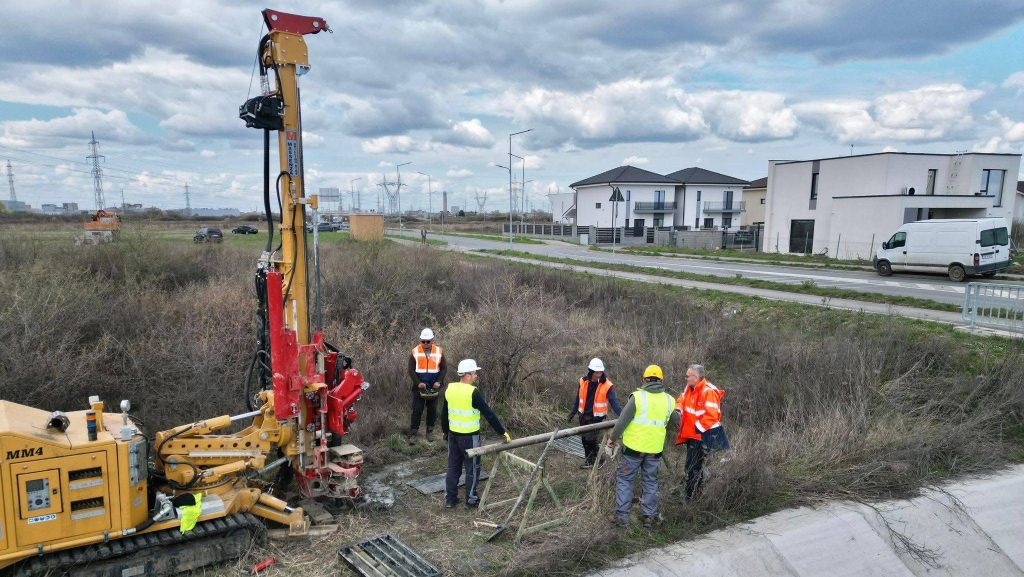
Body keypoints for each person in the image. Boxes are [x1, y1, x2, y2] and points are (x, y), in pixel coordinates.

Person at [607, 364, 678, 528]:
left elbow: (622, 422)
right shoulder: (669, 400)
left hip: (633, 449)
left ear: (644, 379)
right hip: (655, 450)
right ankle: (649, 516)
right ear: (661, 380)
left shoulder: (638, 397)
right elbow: (677, 421)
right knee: (651, 481)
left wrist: (612, 439)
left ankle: (622, 518)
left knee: (625, 480)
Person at [440, 359, 511, 509]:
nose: (476, 376)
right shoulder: (472, 392)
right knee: (472, 468)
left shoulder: (450, 389)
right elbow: (489, 414)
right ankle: (471, 499)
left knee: (453, 467)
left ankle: (450, 499)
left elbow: (444, 414)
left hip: (453, 435)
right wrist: (502, 432)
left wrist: (445, 432)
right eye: (474, 373)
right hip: (469, 437)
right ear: (466, 375)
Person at [672, 364, 726, 501]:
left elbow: (711, 417)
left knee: (693, 469)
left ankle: (692, 498)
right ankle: (695, 495)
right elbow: (681, 400)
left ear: (696, 377)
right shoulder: (690, 388)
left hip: (702, 437)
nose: (685, 378)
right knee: (693, 467)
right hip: (692, 436)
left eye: (687, 376)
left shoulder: (708, 392)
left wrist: (696, 430)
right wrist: (678, 409)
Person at [567, 358, 622, 468]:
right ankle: (595, 460)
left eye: (600, 372)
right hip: (583, 415)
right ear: (591, 371)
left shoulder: (607, 385)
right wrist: (573, 412)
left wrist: (623, 415)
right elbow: (578, 398)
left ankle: (594, 461)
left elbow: (614, 403)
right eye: (597, 372)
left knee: (590, 440)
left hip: (596, 418)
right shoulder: (583, 381)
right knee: (584, 440)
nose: (599, 374)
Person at [407, 328, 447, 442]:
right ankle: (413, 434)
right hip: (419, 387)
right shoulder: (415, 351)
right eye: (423, 341)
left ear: (432, 340)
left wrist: (439, 381)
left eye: (428, 341)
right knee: (417, 410)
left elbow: (444, 368)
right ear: (421, 340)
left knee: (432, 409)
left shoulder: (439, 351)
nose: (425, 344)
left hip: (433, 386)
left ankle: (430, 432)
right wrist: (418, 383)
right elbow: (410, 370)